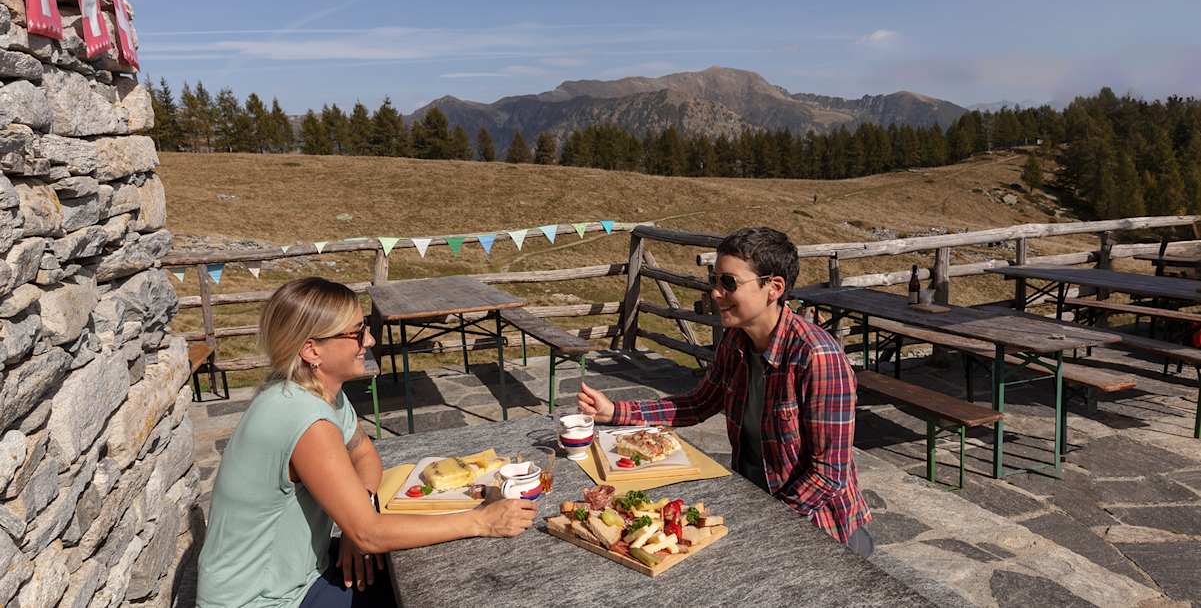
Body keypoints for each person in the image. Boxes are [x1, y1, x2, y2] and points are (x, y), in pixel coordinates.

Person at [197, 277, 536, 607]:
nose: (370, 340)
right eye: (357, 332)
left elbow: (364, 454)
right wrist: (480, 521)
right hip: (266, 599)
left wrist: (355, 513)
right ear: (312, 349)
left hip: (300, 576)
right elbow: (370, 534)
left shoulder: (321, 393)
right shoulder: (305, 419)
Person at [578, 227, 873, 555]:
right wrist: (615, 412)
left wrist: (764, 522)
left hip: (816, 526)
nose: (716, 293)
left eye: (729, 282)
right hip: (754, 504)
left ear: (773, 287)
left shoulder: (816, 357)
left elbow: (827, 474)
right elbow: (698, 404)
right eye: (714, 280)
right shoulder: (736, 341)